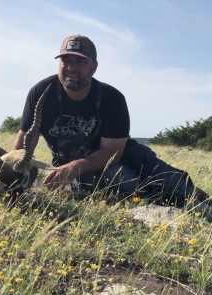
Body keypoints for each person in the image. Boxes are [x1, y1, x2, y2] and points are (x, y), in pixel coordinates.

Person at [13, 34, 210, 215]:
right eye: (66, 60)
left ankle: (200, 202)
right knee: (125, 183)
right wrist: (13, 166)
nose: (71, 67)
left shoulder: (111, 98)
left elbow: (112, 152)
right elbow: (24, 140)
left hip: (120, 155)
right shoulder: (41, 92)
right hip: (84, 170)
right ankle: (156, 203)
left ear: (93, 67)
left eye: (80, 61)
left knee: (173, 182)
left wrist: (72, 168)